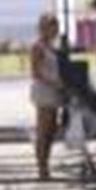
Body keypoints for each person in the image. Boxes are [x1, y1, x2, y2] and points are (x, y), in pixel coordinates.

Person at [30, 12, 65, 181]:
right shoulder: (38, 47)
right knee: (43, 130)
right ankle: (42, 167)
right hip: (44, 91)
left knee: (52, 129)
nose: (54, 31)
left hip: (54, 91)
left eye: (55, 27)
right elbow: (36, 72)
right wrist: (53, 82)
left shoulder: (52, 46)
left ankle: (45, 162)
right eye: (51, 27)